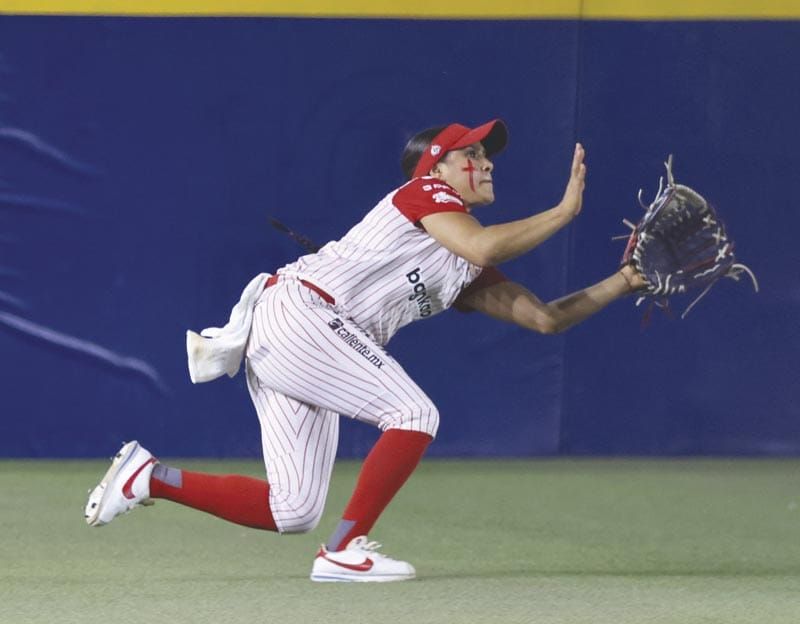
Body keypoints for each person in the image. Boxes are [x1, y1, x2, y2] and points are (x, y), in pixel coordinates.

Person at [84, 119, 645, 583]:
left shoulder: (463, 263)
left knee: (292, 509)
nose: (487, 162)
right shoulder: (424, 193)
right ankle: (343, 550)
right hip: (303, 315)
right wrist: (563, 212)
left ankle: (148, 477)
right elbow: (484, 244)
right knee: (414, 413)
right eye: (471, 153)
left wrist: (624, 280)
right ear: (436, 168)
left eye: (485, 153)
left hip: (302, 337)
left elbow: (545, 318)